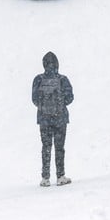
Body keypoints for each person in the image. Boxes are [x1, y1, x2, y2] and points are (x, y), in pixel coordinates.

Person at [32, 51, 74, 186]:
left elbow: (34, 99)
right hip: (60, 118)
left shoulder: (38, 79)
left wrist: (44, 109)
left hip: (44, 119)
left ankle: (45, 178)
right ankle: (60, 176)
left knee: (46, 147)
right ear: (57, 64)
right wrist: (59, 105)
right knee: (59, 147)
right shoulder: (63, 79)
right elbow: (70, 98)